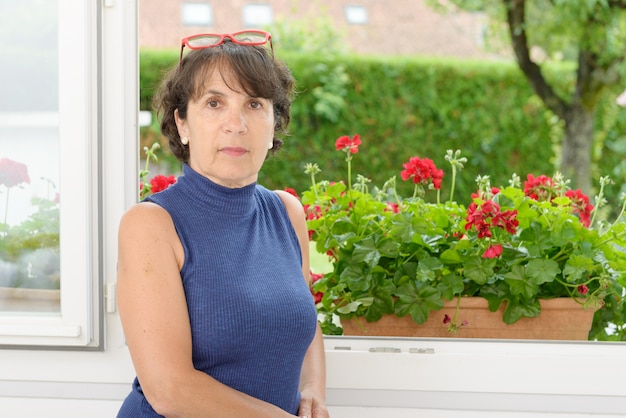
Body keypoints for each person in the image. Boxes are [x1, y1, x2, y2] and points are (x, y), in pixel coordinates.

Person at [116, 30, 329, 418]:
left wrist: (313, 388)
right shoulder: (150, 225)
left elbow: (303, 323)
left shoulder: (287, 212)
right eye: (214, 103)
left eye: (254, 104)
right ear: (182, 123)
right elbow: (169, 390)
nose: (236, 123)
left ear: (274, 123)